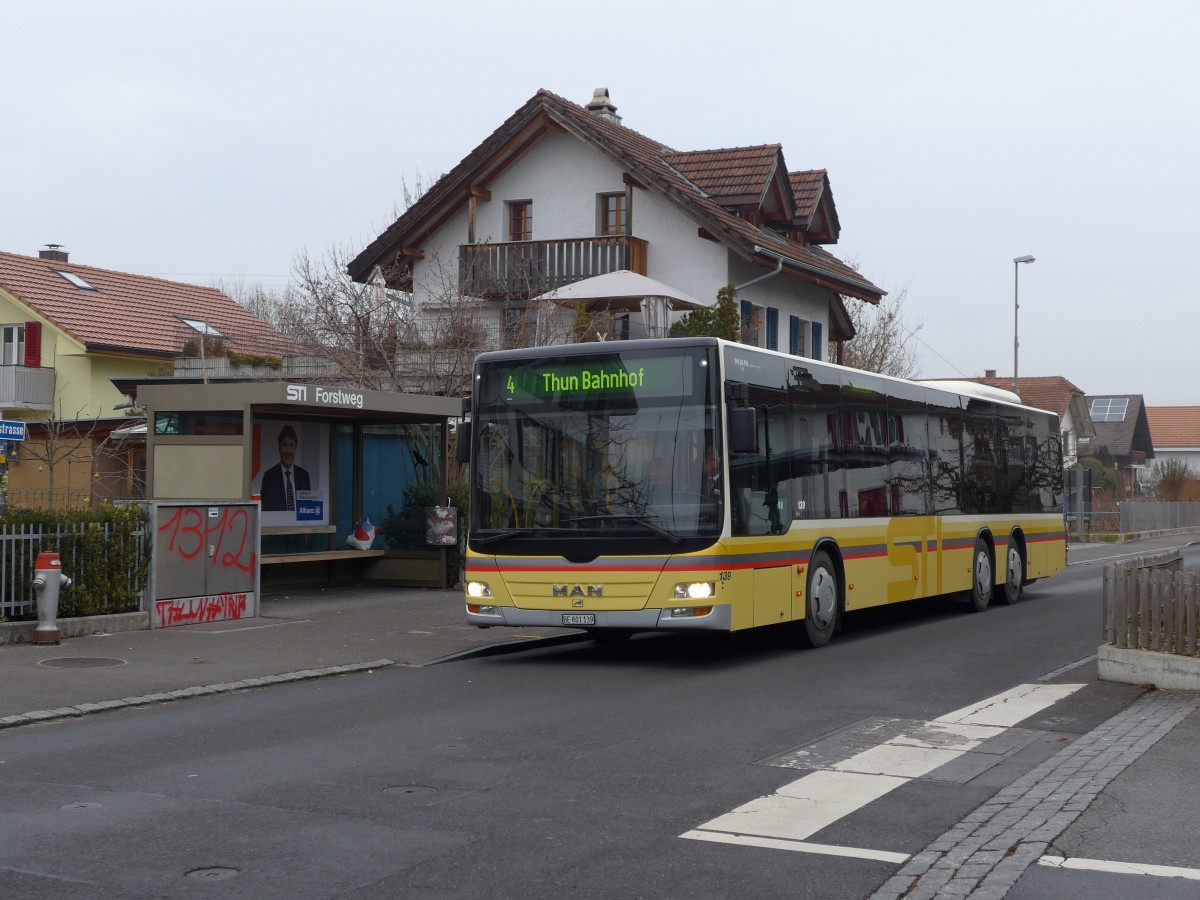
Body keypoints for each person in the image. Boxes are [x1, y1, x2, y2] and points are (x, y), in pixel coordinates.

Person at [260, 424, 312, 512]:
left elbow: (309, 510)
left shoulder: (304, 476)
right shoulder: (269, 477)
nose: (288, 451)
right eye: (284, 445)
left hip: (300, 526)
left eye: (291, 445)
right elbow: (265, 510)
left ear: (295, 449)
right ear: (279, 448)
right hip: (278, 525)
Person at [699, 448, 722, 526]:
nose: (704, 462)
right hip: (700, 525)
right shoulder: (700, 481)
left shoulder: (725, 482)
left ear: (716, 462)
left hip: (717, 526)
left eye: (707, 459)